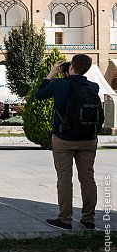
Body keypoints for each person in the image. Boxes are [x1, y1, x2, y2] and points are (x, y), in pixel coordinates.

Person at [35, 54, 102, 231]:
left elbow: (39, 95)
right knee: (88, 178)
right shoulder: (93, 86)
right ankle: (88, 219)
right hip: (88, 139)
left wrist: (52, 73)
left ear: (71, 67)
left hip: (64, 139)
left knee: (64, 179)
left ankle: (65, 220)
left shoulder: (60, 84)